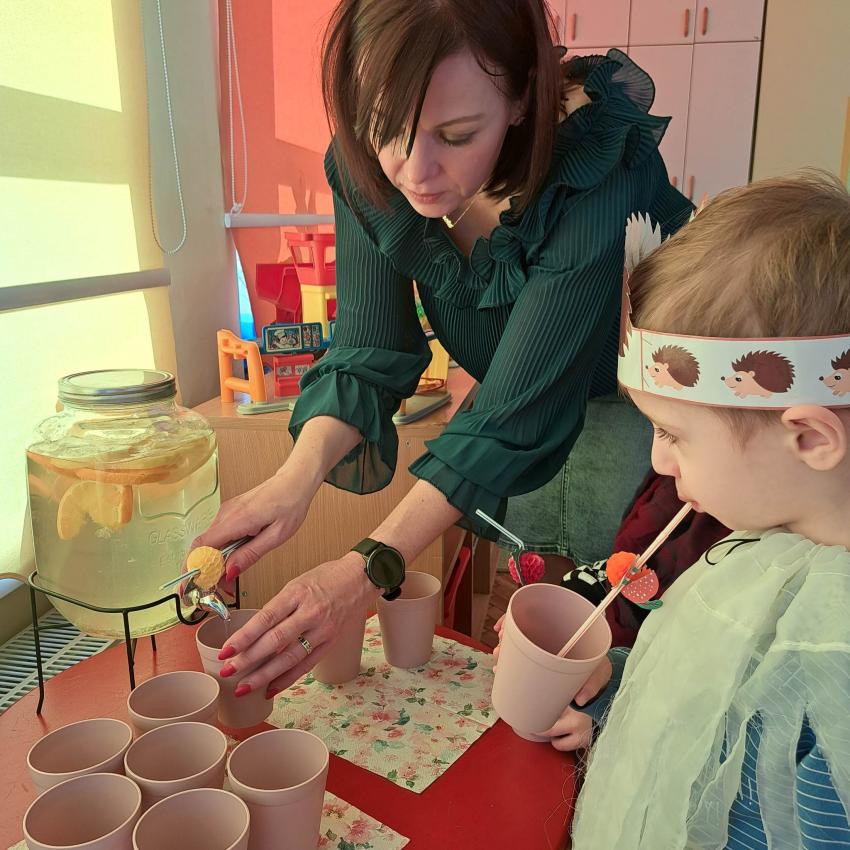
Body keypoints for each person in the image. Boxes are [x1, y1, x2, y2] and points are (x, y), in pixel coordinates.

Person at [198, 0, 692, 699]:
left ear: (522, 96)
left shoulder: (594, 167)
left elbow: (517, 412)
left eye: (456, 136)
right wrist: (292, 482)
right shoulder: (370, 166)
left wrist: (366, 570)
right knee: (520, 618)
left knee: (597, 636)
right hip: (506, 404)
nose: (413, 171)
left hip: (636, 411)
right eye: (384, 130)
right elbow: (369, 348)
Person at [541, 172, 850, 846]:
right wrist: (614, 690)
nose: (658, 462)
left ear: (808, 438)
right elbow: (718, 704)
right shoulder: (763, 540)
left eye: (674, 434)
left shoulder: (836, 657)